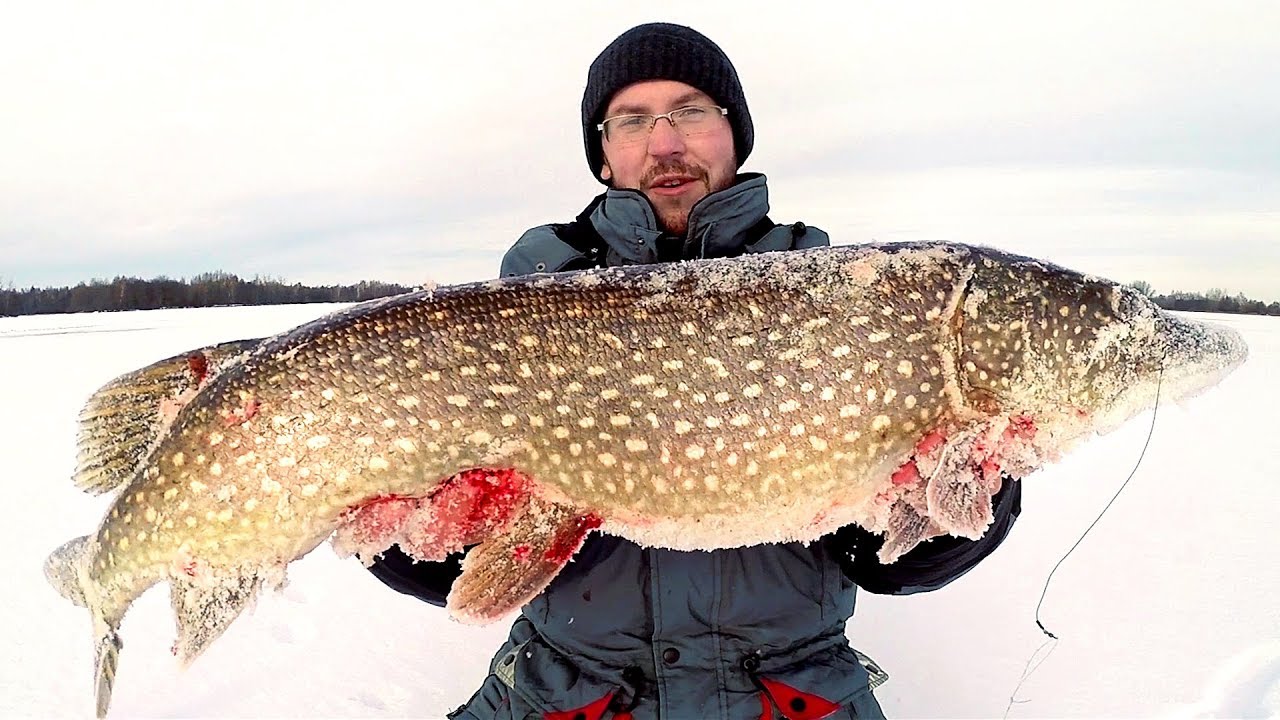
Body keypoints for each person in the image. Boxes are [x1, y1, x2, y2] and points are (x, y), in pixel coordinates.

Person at [368, 22, 1022, 720]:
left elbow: (893, 565)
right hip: (564, 696)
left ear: (734, 133)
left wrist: (976, 482)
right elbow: (461, 578)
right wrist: (405, 529)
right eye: (633, 119)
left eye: (690, 111)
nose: (666, 142)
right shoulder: (512, 315)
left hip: (789, 696)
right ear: (604, 154)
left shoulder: (849, 307)